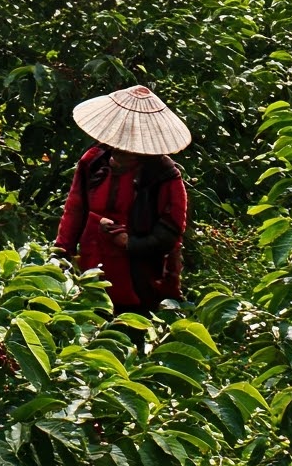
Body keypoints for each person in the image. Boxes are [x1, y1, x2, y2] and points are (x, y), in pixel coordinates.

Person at [53, 84, 191, 312]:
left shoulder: (164, 175)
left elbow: (171, 233)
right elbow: (75, 209)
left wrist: (131, 243)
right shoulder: (93, 161)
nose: (118, 153)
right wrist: (60, 253)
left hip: (138, 280)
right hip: (90, 270)